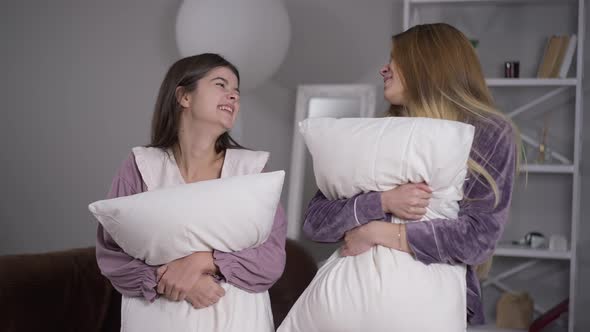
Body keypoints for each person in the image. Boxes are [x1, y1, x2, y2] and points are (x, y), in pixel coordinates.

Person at [302, 23, 520, 325]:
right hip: (349, 298)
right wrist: (381, 202)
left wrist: (376, 232)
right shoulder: (376, 134)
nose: (383, 68)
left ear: (426, 65)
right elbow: (316, 222)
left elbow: (477, 238)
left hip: (426, 303)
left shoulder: (488, 132)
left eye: (395, 59)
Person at [96, 53, 286, 312]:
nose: (234, 96)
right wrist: (175, 281)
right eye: (221, 84)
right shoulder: (141, 166)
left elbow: (271, 259)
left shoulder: (252, 170)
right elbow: (111, 255)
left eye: (236, 91)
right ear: (184, 96)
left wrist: (203, 262)